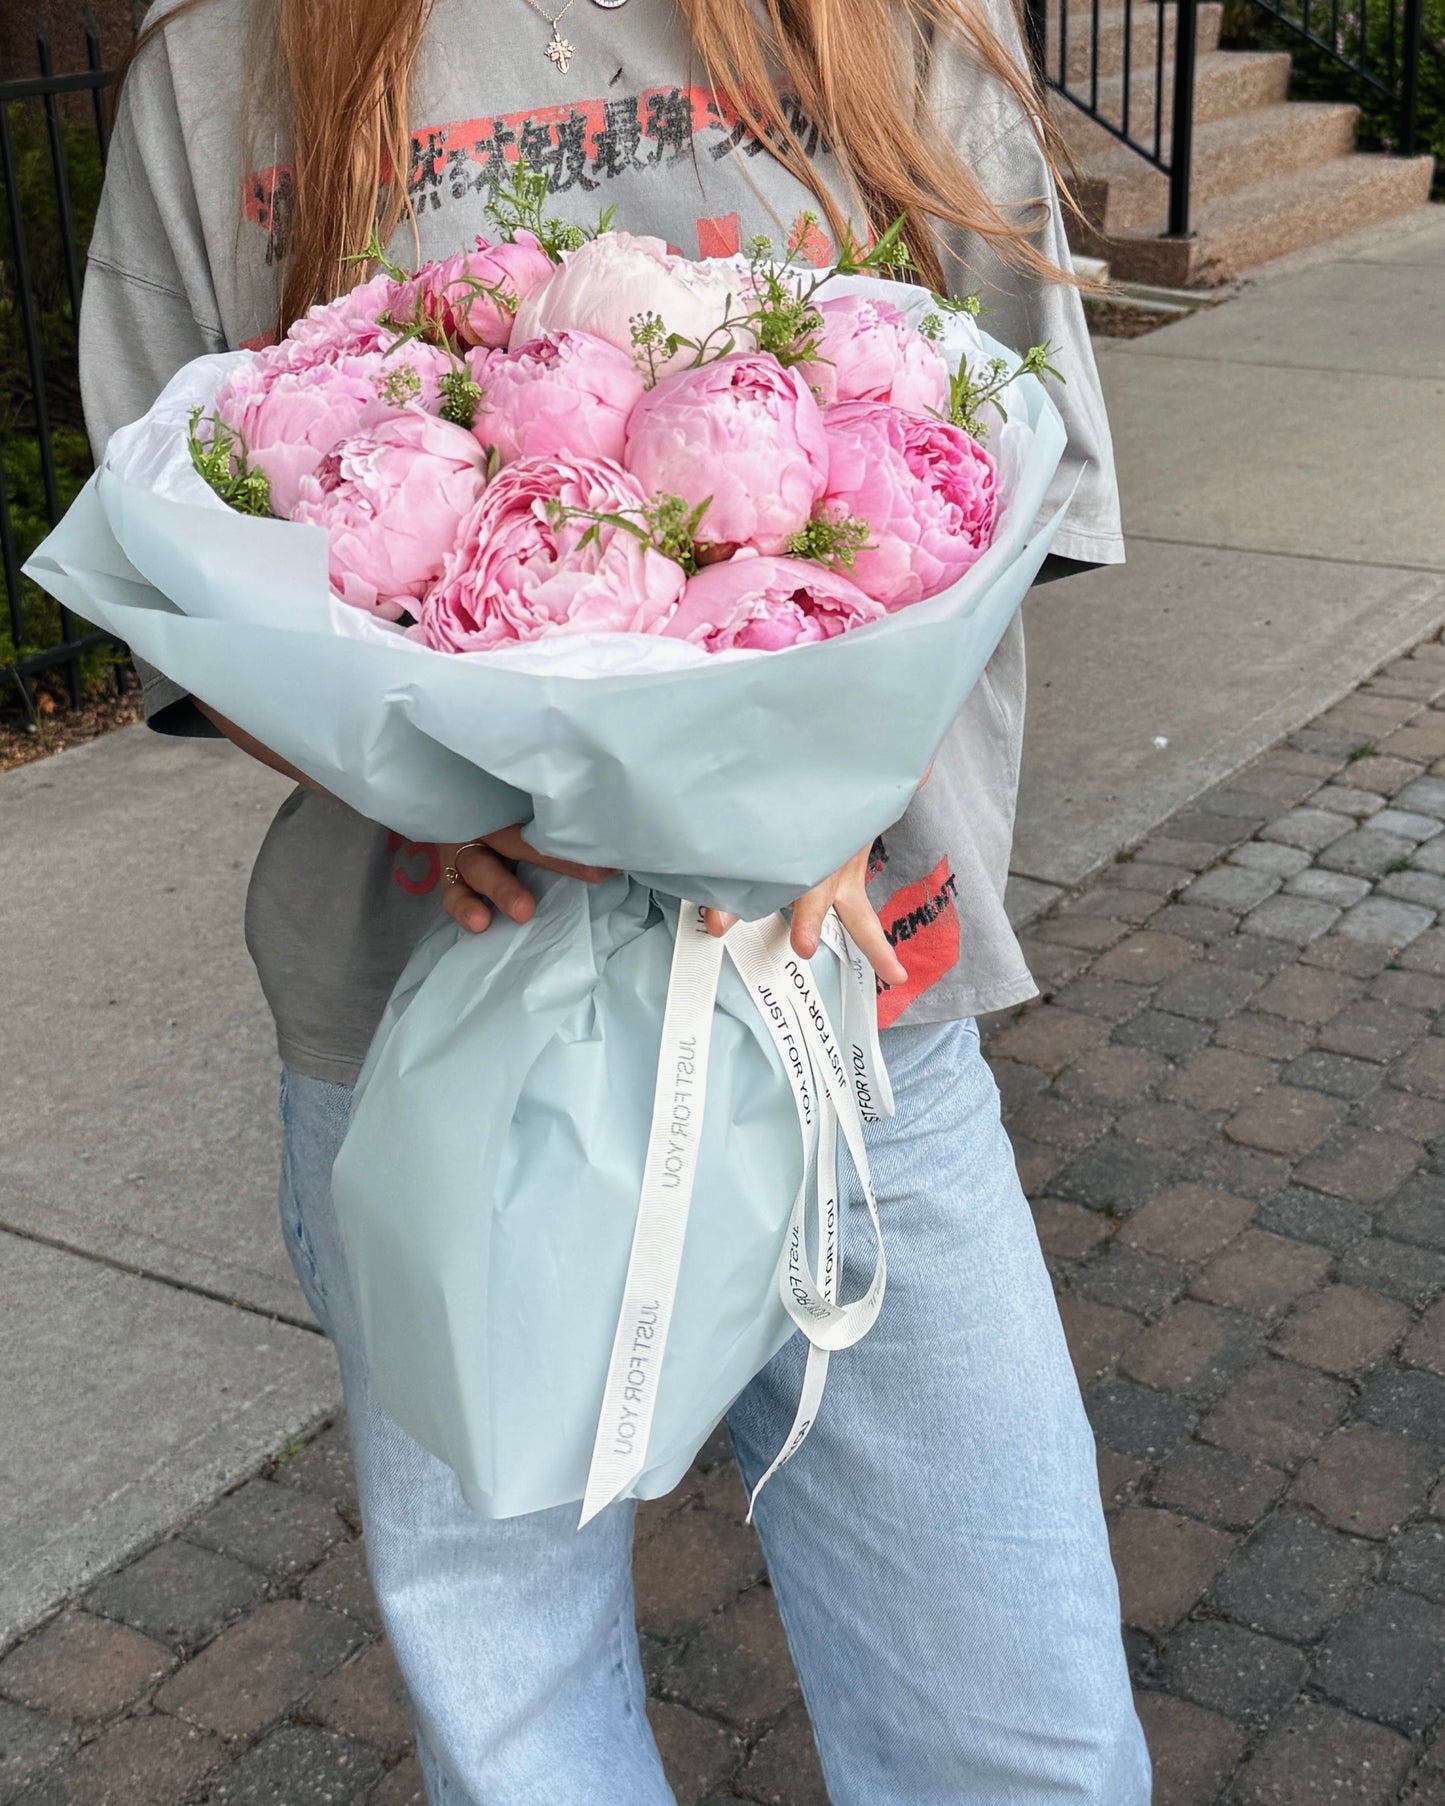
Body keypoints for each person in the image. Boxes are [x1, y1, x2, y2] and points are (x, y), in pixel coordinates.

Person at [81, 0, 1148, 1796]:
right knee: (518, 1724)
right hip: (439, 1049)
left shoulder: (894, 30)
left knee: (1014, 1727)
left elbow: (1017, 479)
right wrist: (379, 753)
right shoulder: (225, 66)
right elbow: (169, 551)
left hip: (850, 1032)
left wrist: (810, 765)